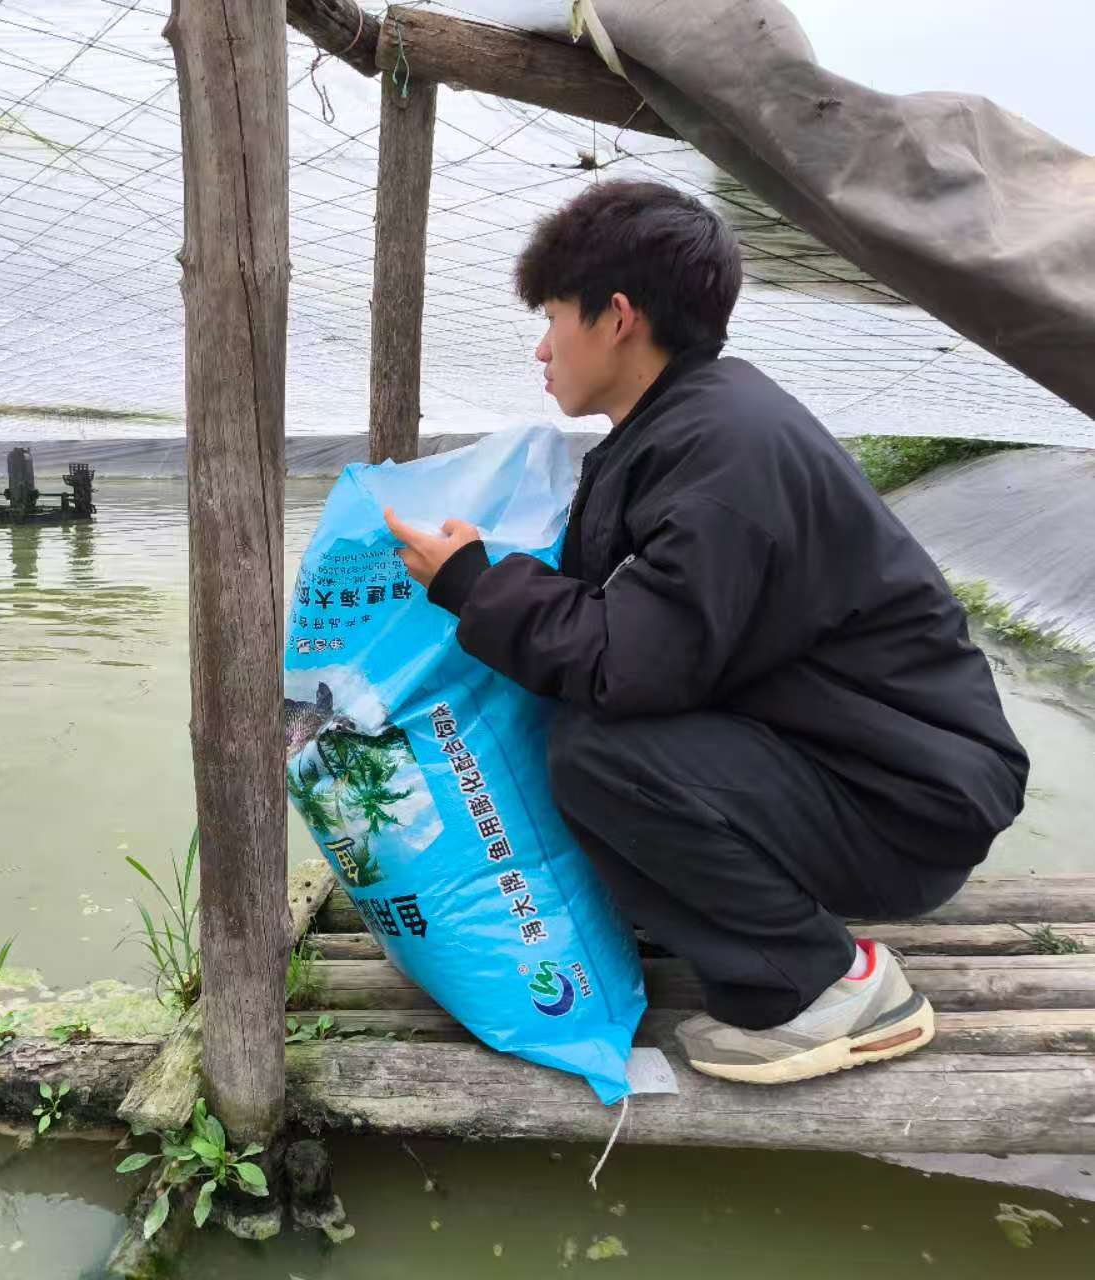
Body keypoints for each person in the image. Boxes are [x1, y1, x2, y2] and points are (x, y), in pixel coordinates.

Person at [384, 180, 1028, 1085]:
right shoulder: (684, 426)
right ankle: (744, 924)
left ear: (616, 317)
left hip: (905, 804)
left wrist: (475, 587)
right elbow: (631, 627)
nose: (540, 346)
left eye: (553, 316)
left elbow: (629, 664)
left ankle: (826, 989)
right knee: (587, 739)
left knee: (601, 754)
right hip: (859, 768)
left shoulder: (722, 450)